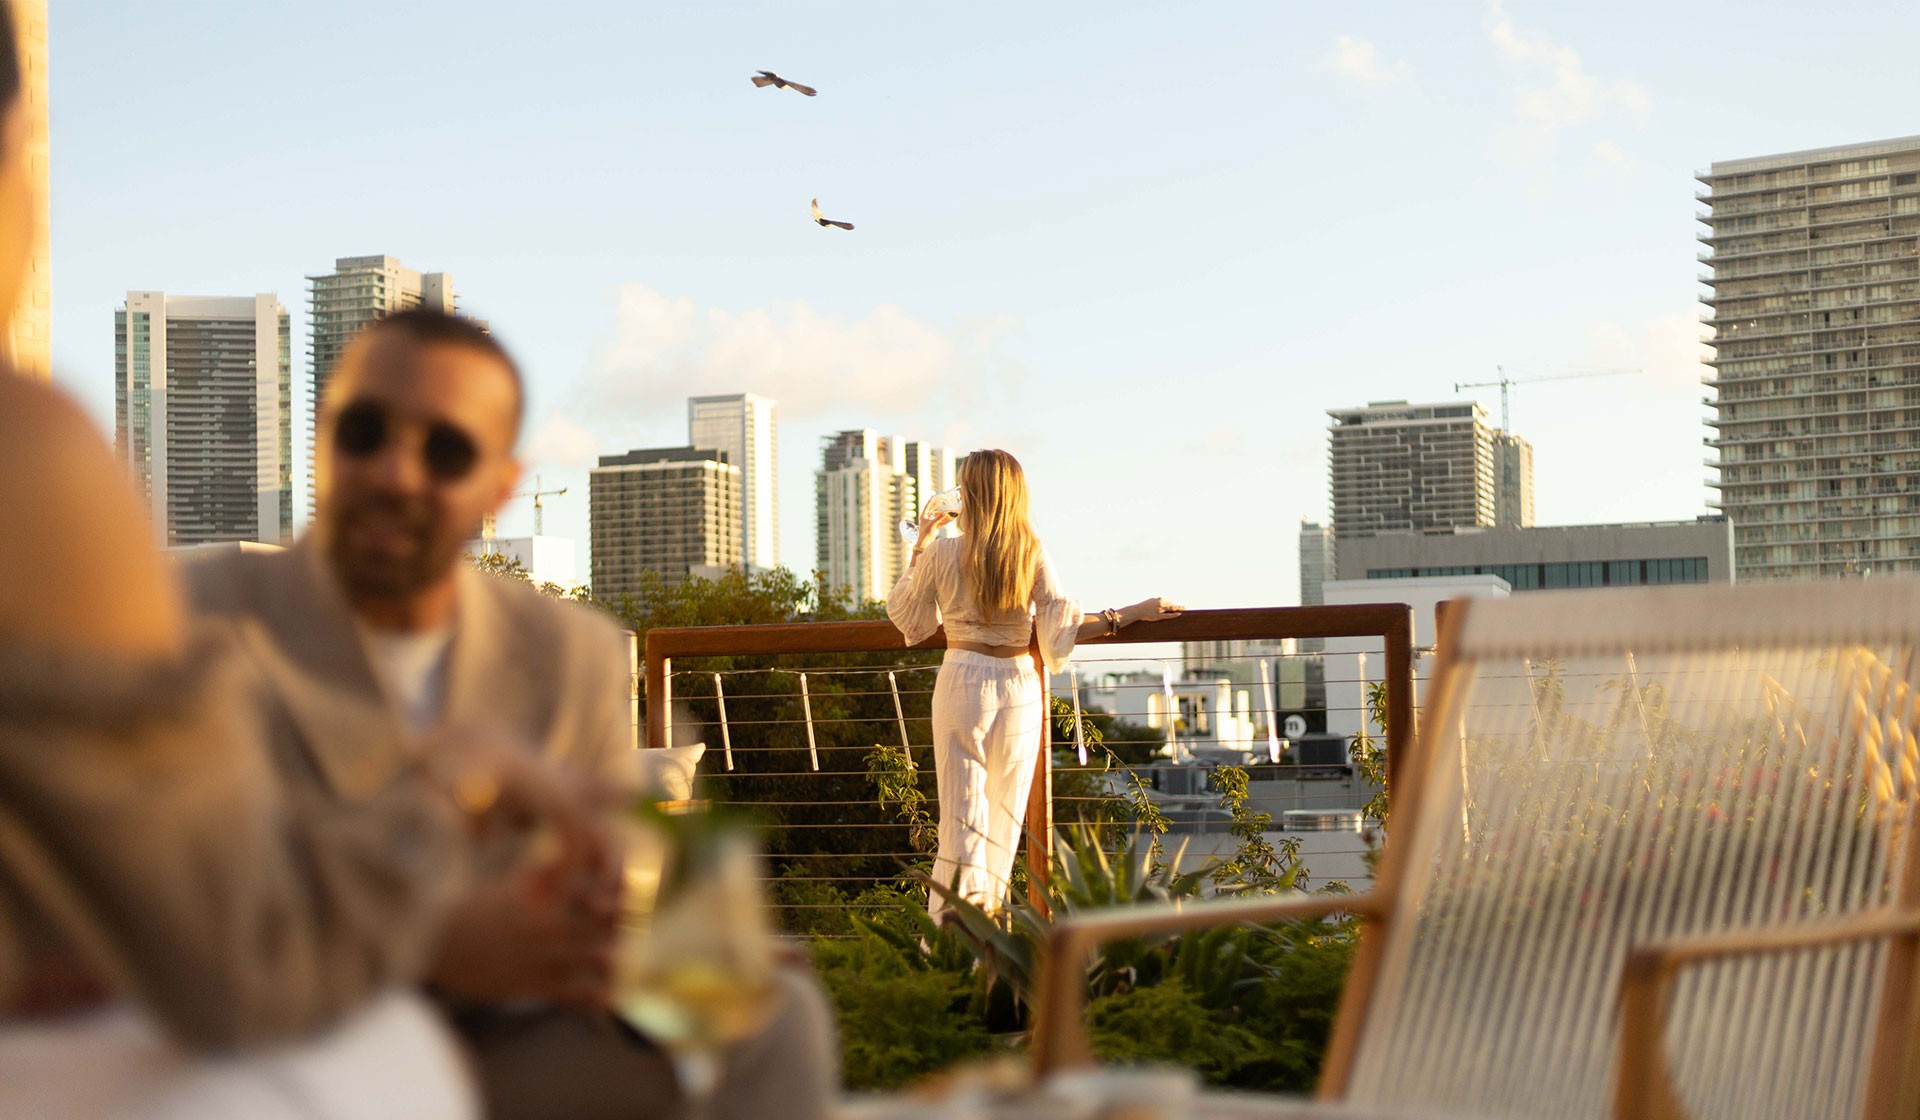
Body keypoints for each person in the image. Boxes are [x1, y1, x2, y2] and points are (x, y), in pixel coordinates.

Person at [187, 308, 838, 1120]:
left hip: (503, 1049)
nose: (395, 472)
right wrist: (435, 948)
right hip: (282, 1048)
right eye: (364, 432)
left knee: (777, 1018)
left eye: (446, 450)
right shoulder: (193, 624)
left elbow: (612, 891)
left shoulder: (572, 654)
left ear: (500, 486)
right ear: (320, 440)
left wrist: (655, 944)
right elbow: (173, 910)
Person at [886, 449, 1181, 920]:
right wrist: (1128, 613)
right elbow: (1059, 630)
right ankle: (989, 939)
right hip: (1019, 686)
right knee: (1003, 822)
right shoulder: (1029, 551)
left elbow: (908, 615)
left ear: (973, 495)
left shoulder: (943, 553)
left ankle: (947, 944)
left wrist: (921, 543)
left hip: (962, 681)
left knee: (961, 823)